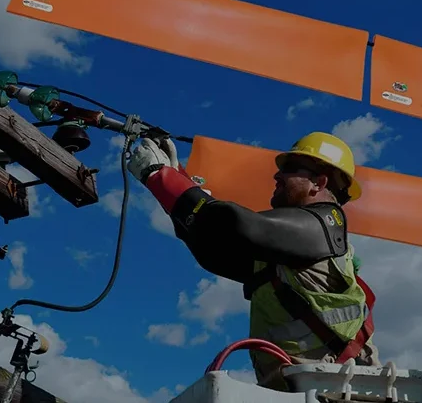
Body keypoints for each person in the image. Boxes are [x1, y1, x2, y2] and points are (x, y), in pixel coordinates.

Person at [127, 131, 380, 390]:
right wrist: (176, 176)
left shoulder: (323, 227)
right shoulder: (284, 253)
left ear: (319, 182)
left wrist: (161, 176)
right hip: (302, 386)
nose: (277, 175)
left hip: (335, 386)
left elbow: (235, 225)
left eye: (290, 169)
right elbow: (212, 248)